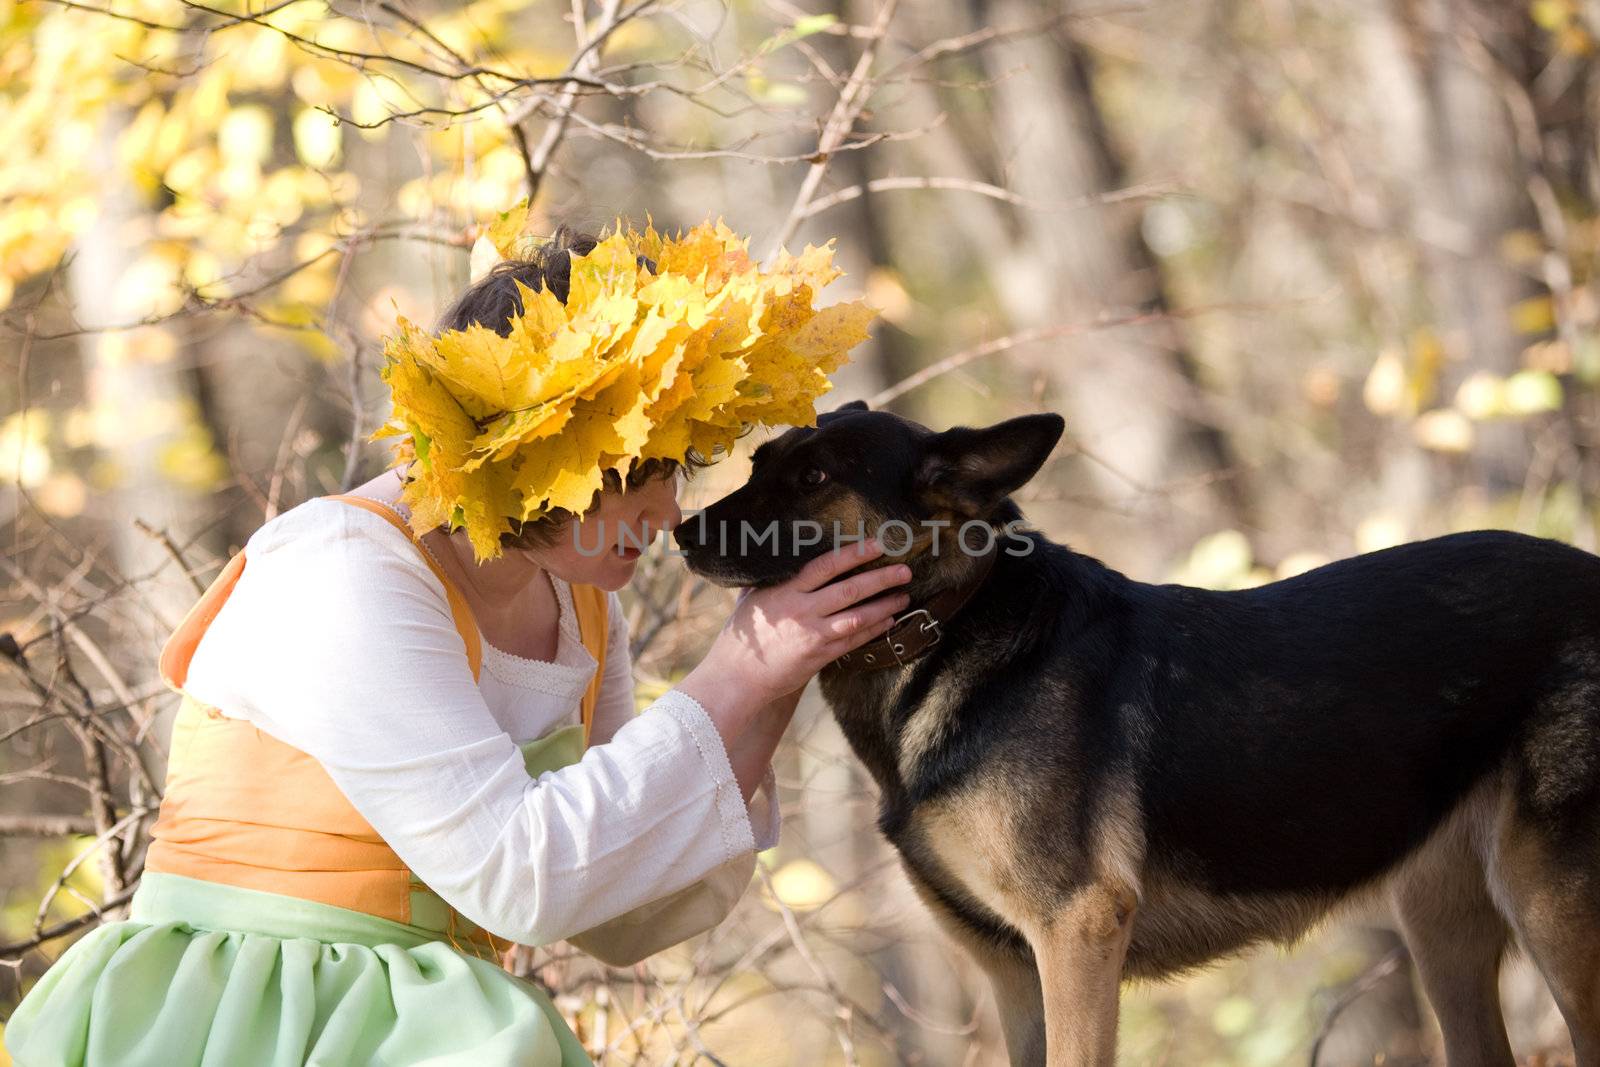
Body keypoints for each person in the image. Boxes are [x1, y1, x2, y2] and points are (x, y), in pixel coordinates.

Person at [4, 225, 910, 1066]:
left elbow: (625, 912)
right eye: (642, 469)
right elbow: (517, 880)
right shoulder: (345, 566)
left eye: (675, 467)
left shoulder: (578, 594)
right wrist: (737, 670)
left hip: (431, 1016)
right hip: (251, 1013)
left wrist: (778, 672)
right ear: (535, 447)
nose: (671, 511)